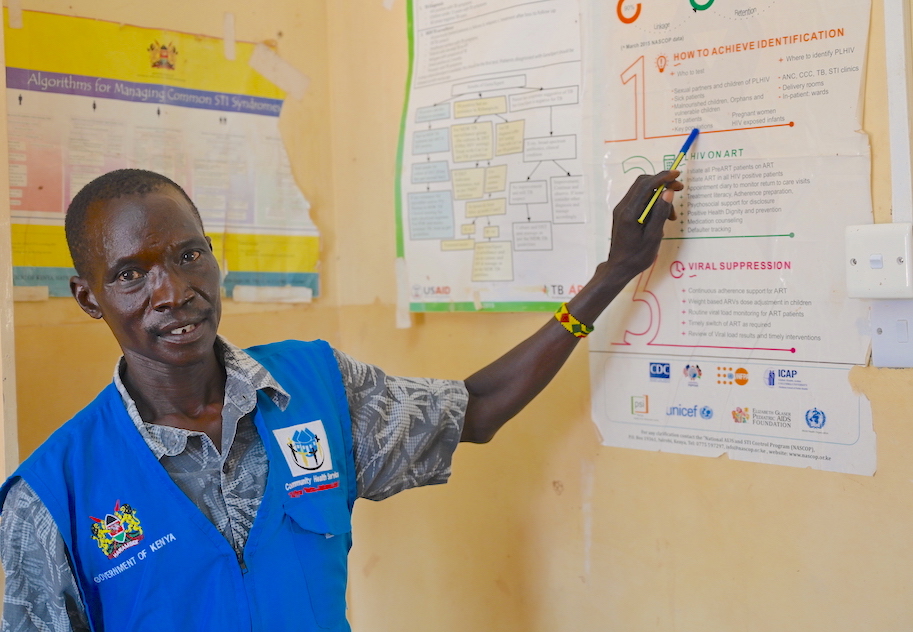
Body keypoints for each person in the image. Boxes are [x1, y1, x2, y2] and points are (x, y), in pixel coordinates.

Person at [0, 167, 682, 631]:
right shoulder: (50, 496)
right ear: (89, 297)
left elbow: (473, 408)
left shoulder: (315, 390)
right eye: (131, 274)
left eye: (187, 256)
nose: (172, 291)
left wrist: (612, 273)